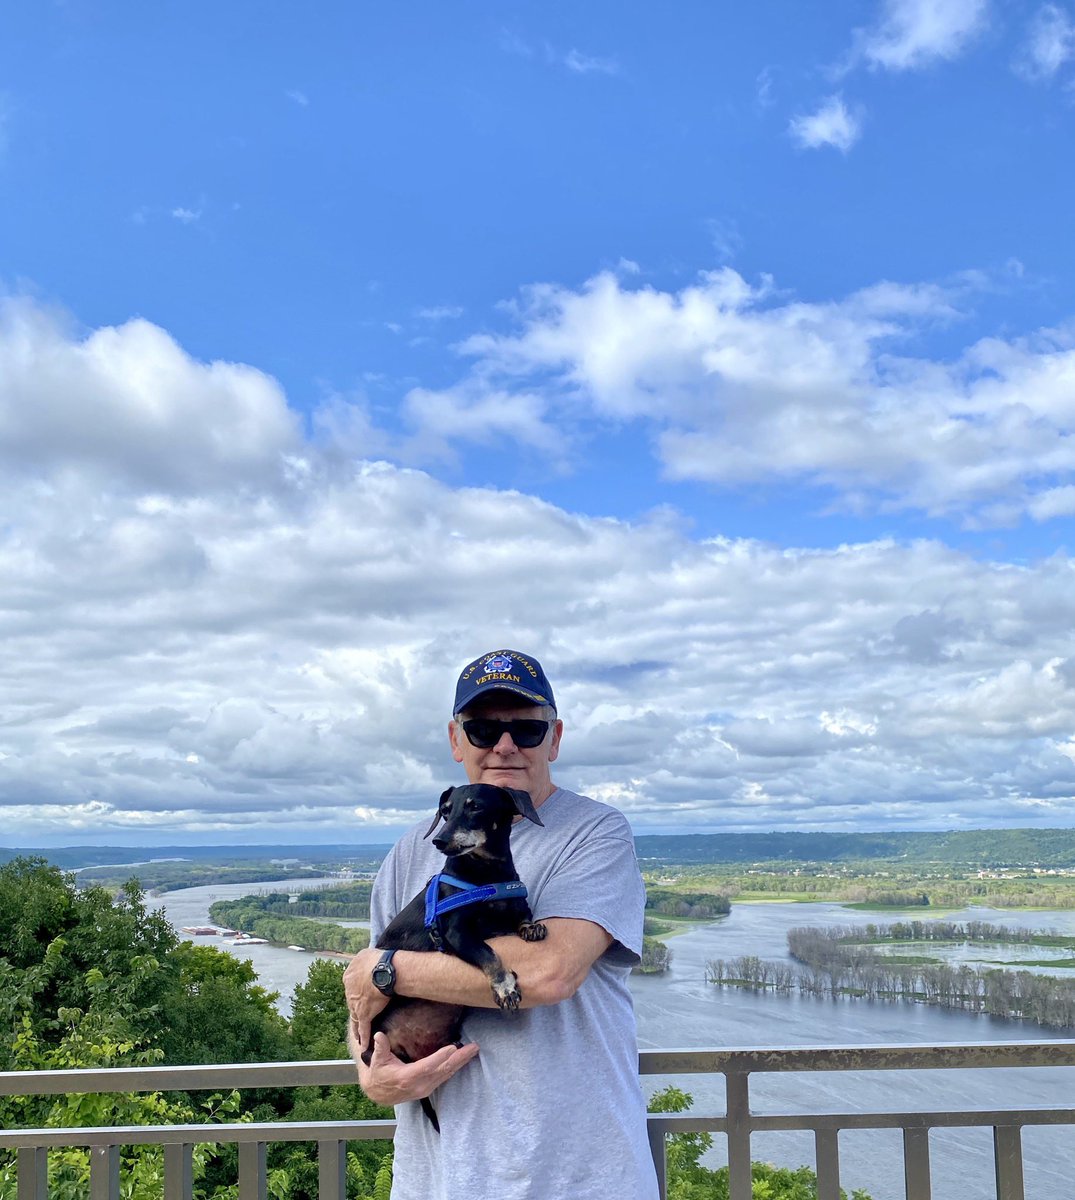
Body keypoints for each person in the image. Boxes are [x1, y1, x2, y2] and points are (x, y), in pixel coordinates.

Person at [344, 648, 659, 1200]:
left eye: (527, 730)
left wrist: (382, 969)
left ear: (555, 738)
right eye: (484, 728)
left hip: (577, 1178)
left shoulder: (595, 834)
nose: (505, 746)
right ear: (455, 740)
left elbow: (548, 975)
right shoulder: (407, 854)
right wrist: (370, 1071)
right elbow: (363, 1008)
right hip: (438, 1180)